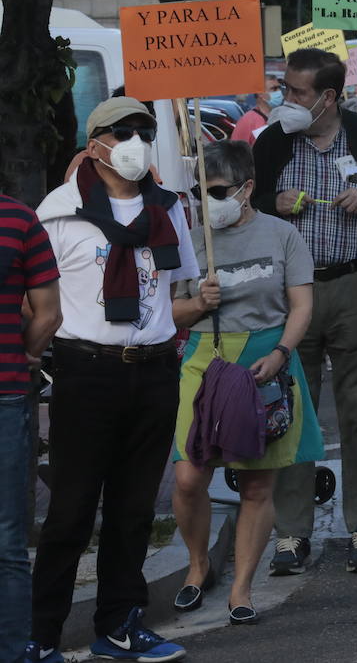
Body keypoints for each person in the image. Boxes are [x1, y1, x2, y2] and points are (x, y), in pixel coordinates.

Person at [31, 97, 200, 663]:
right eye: (122, 131)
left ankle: (121, 626)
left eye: (144, 131)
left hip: (153, 371)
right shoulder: (59, 212)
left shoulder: (168, 209)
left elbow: (174, 293)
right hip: (86, 372)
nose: (135, 141)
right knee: (72, 509)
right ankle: (41, 634)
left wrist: (204, 306)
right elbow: (38, 299)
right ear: (96, 140)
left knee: (132, 510)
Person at [252, 47, 357, 576]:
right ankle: (291, 534)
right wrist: (267, 203)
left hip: (353, 286)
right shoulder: (273, 141)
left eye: (297, 92)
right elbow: (240, 206)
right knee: (291, 415)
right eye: (285, 89)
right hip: (289, 295)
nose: (287, 100)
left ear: (328, 97)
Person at [171, 141, 321, 623]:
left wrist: (281, 353)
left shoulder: (282, 236)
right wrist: (197, 305)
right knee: (189, 476)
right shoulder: (188, 241)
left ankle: (242, 588)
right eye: (201, 191)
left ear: (247, 187)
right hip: (204, 362)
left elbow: (301, 305)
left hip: (266, 364)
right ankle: (198, 567)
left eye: (218, 190)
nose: (208, 200)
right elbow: (166, 311)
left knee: (257, 486)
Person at [1, 195, 60, 663]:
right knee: (7, 541)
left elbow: (48, 313)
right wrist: (25, 357)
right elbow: (48, 313)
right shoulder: (19, 219)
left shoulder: (20, 219)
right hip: (7, 392)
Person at [230, 76, 281, 144]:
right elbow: (236, 152)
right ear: (260, 93)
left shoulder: (281, 116)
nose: (279, 92)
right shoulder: (247, 121)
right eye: (274, 89)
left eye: (279, 88)